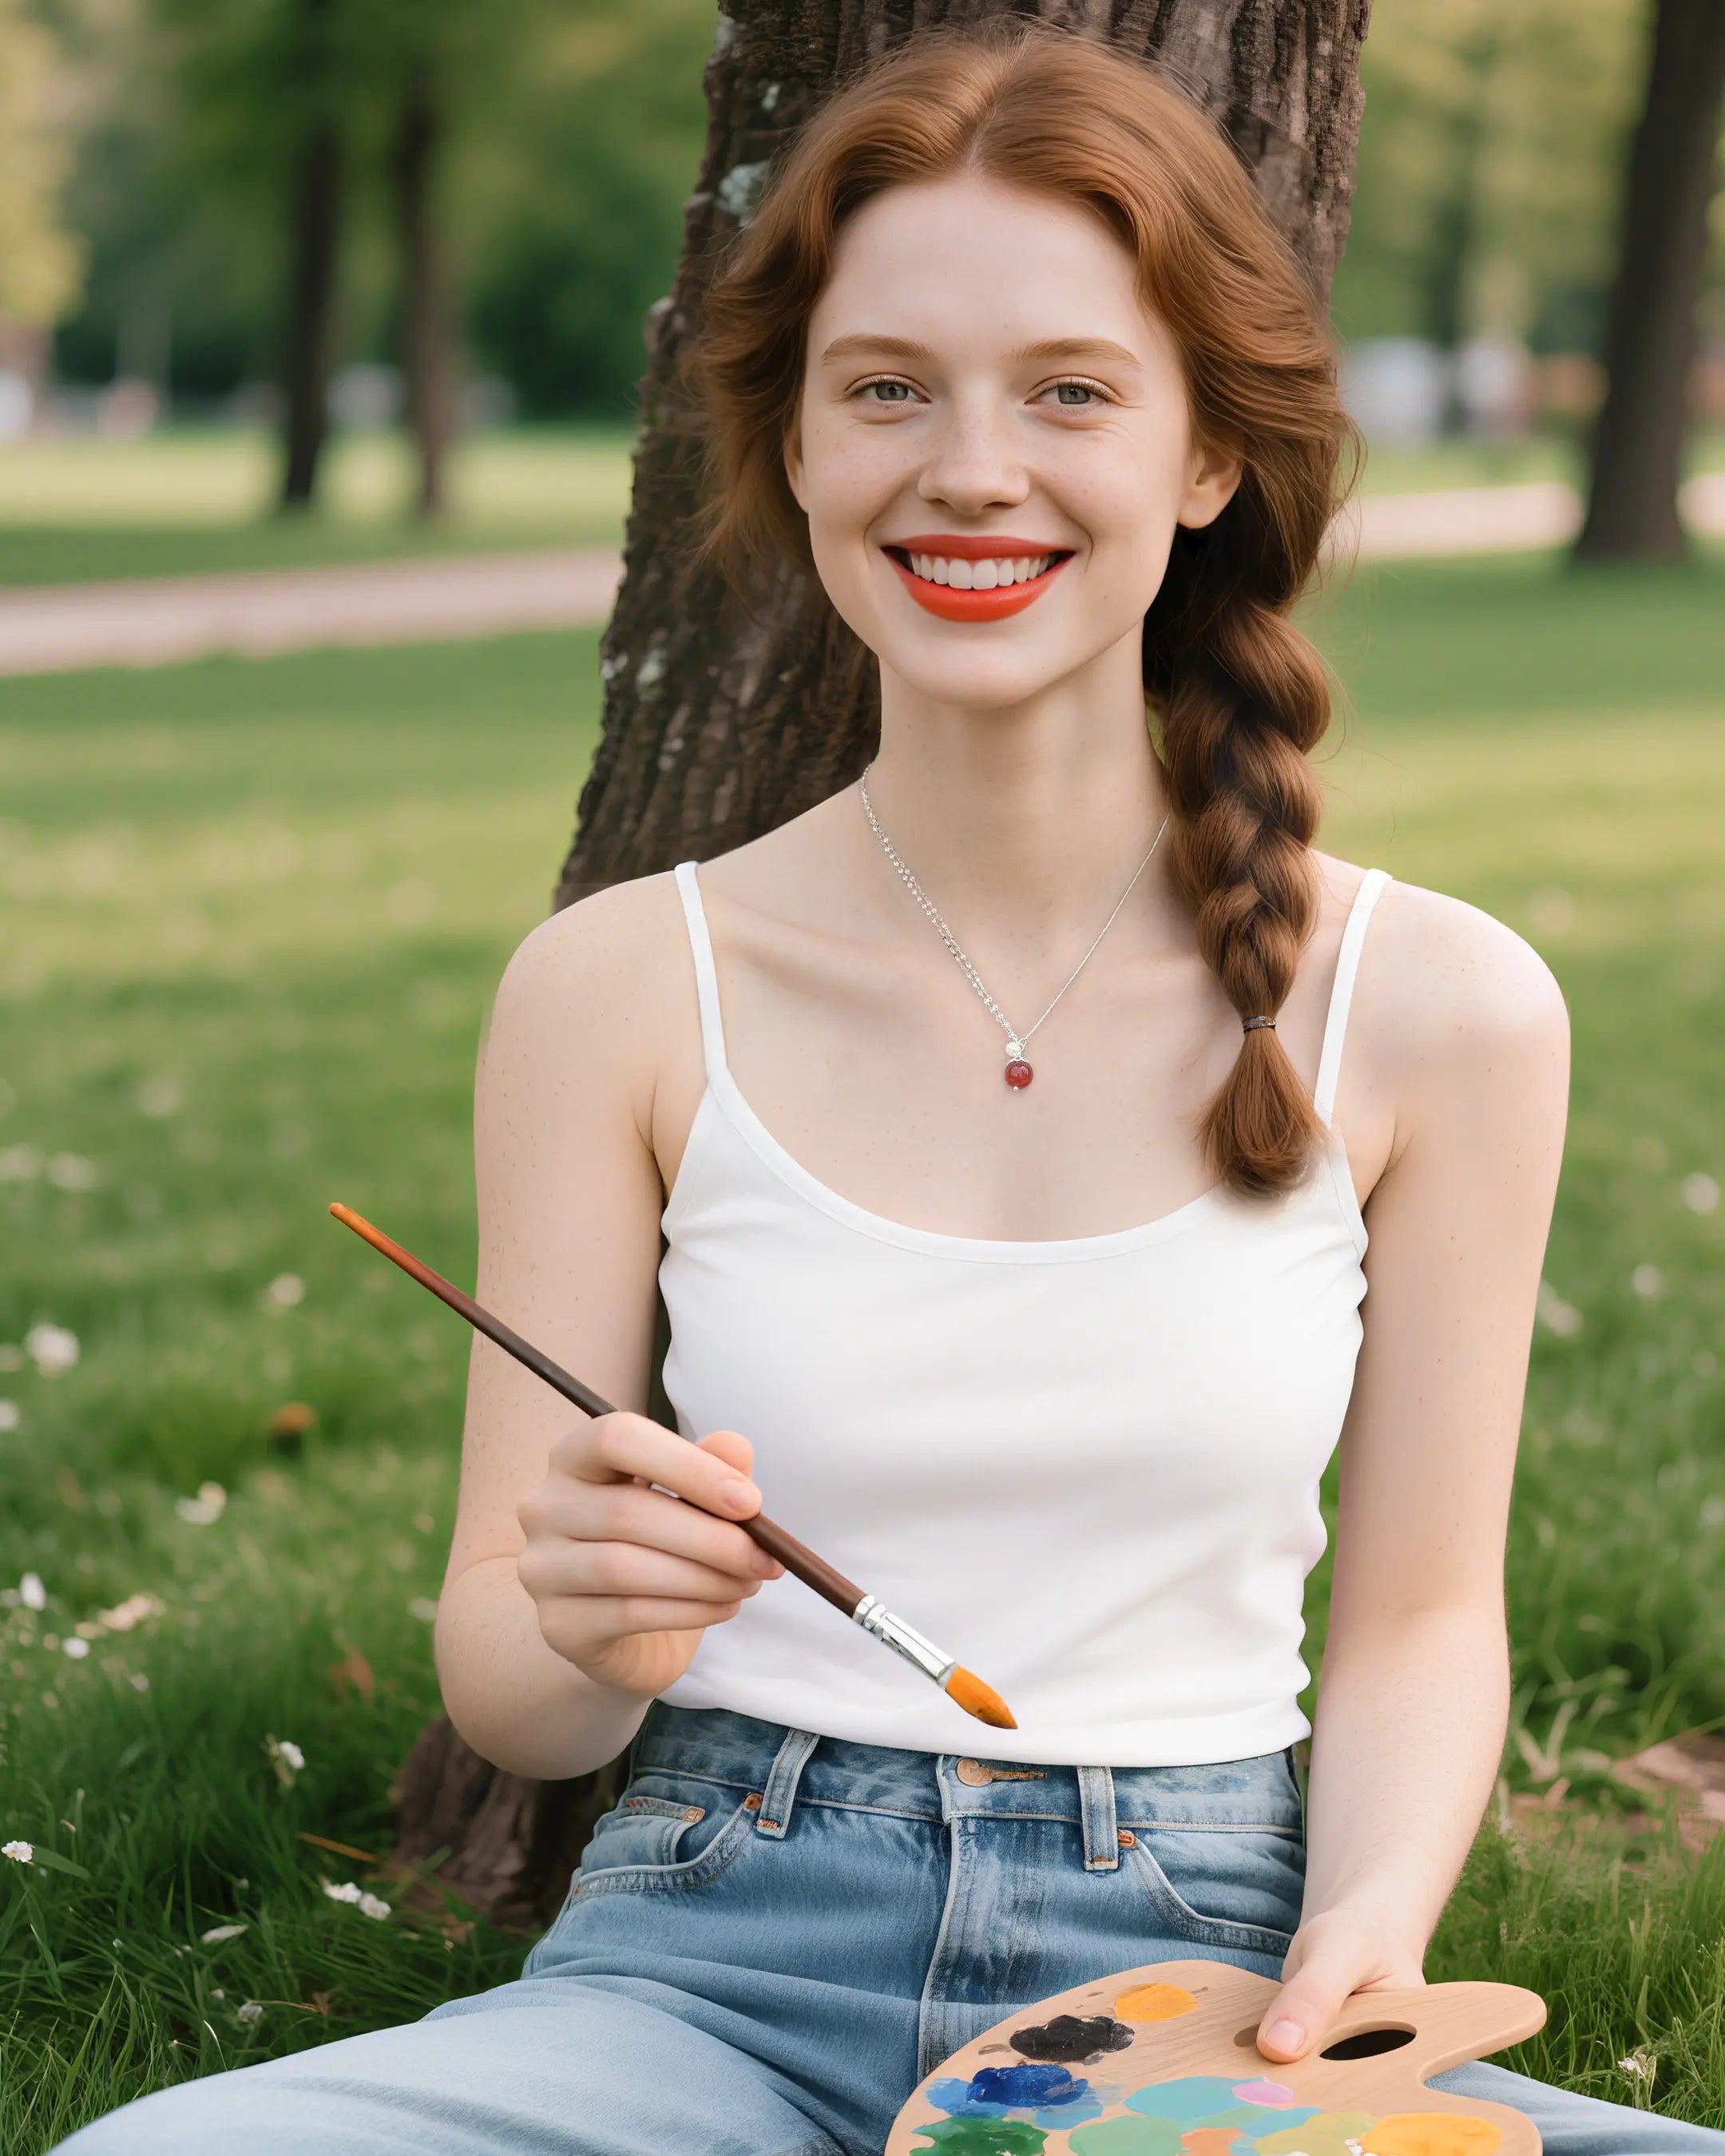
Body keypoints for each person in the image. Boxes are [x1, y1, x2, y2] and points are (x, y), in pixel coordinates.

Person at [56, 24, 1722, 2156]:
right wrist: (588, 1619)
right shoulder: (617, 989)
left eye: (1071, 392)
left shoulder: (1443, 1007)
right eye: (887, 389)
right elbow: (512, 1689)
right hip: (706, 1973)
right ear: (797, 447)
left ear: (1209, 455)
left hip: (1200, 1991)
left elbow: (1419, 1615)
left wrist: (1366, 1945)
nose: (971, 470)